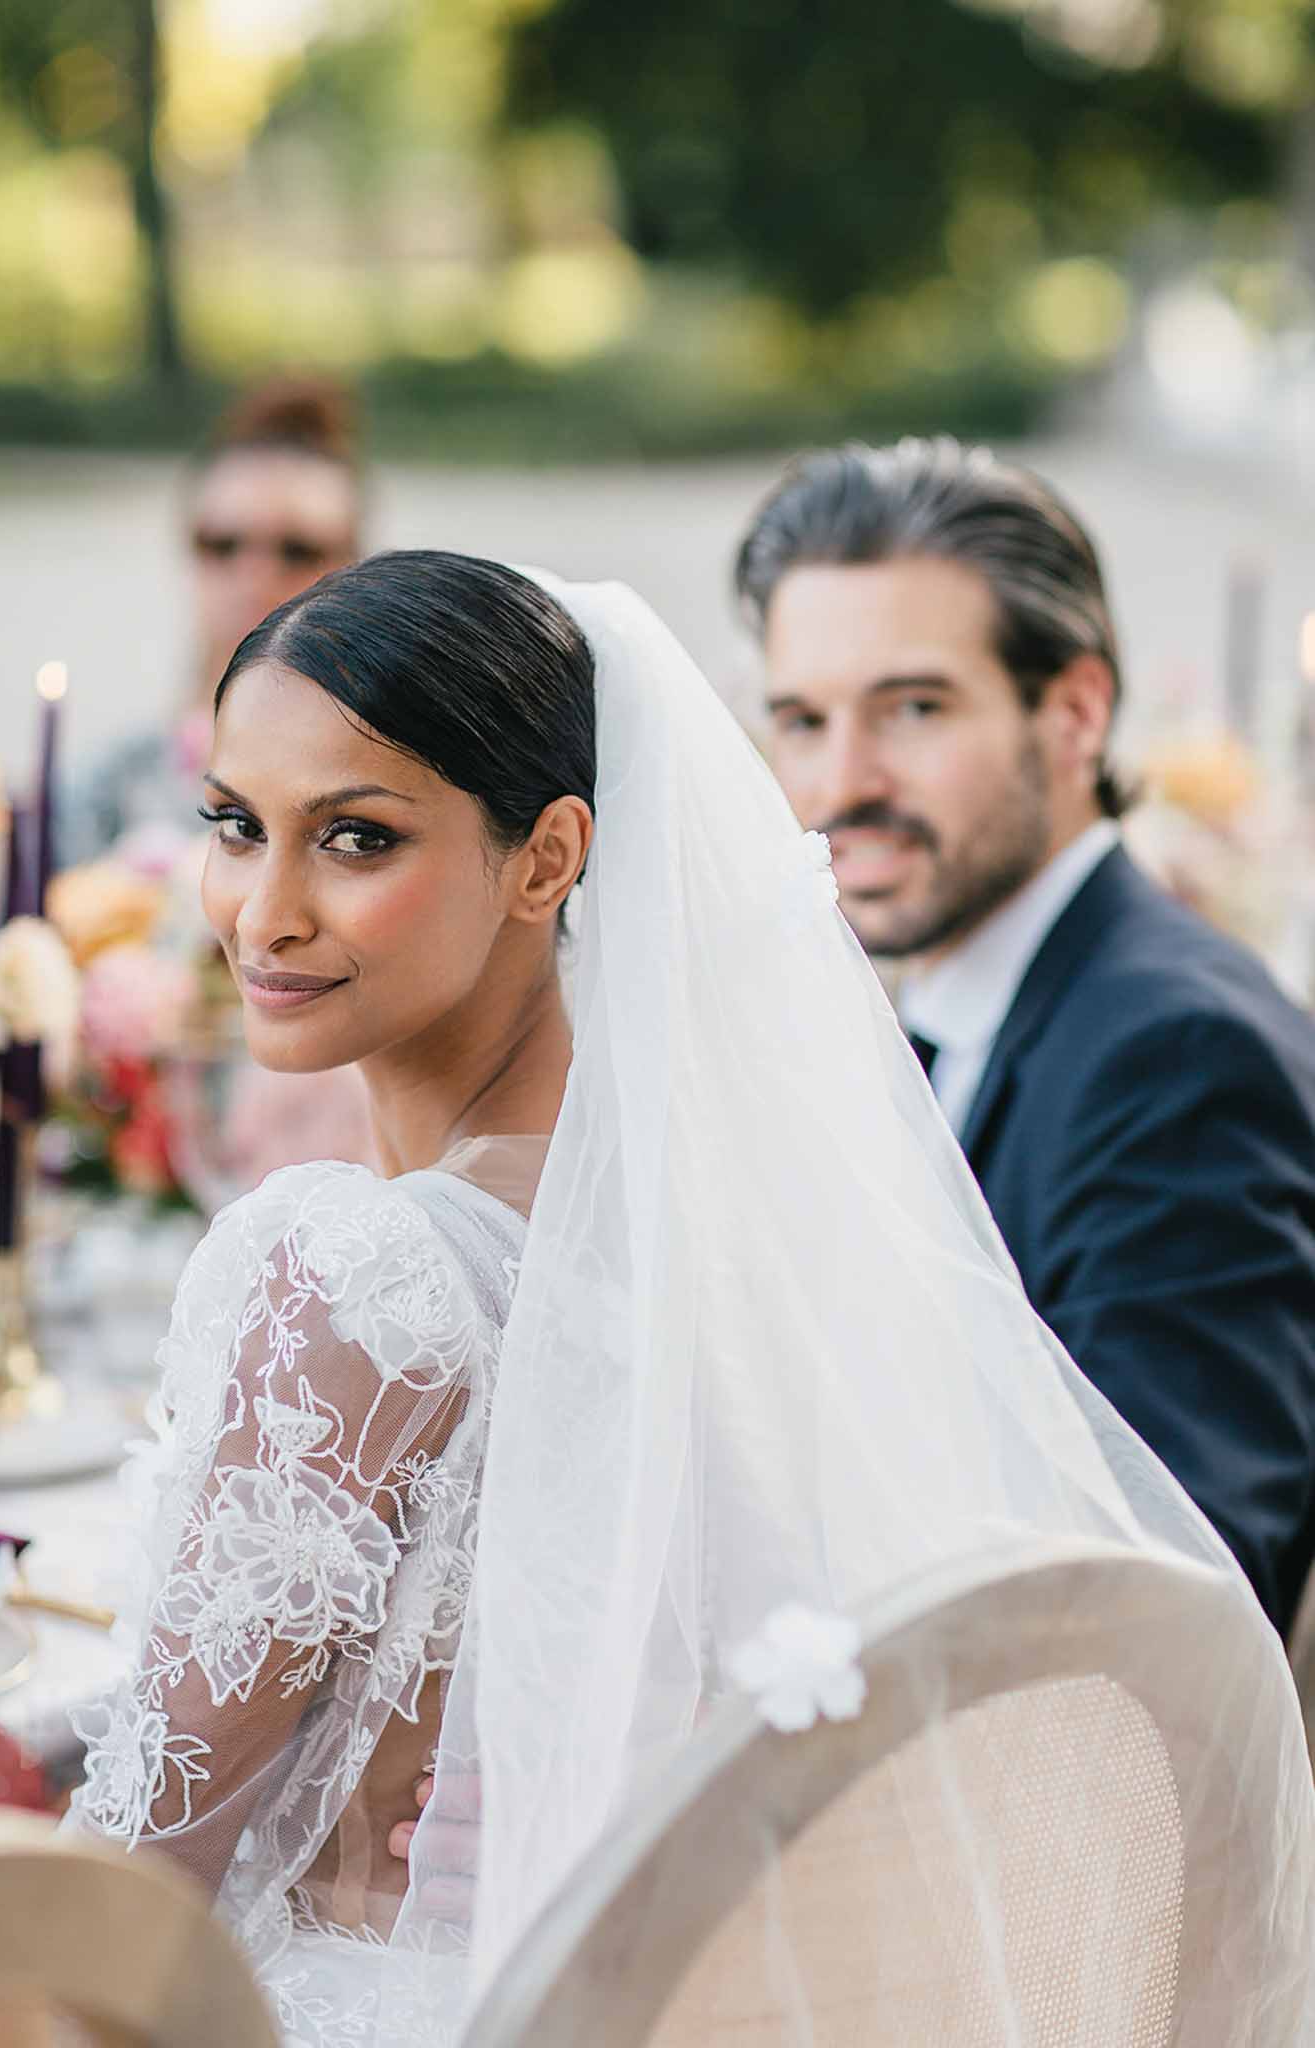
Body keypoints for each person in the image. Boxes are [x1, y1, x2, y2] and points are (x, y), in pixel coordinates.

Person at [66, 552, 1312, 2046]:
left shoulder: (352, 1269)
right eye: (232, 825)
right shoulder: (724, 1227)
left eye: (354, 838)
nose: (261, 910)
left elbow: (141, 1870)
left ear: (547, 857)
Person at [737, 436, 1315, 1634]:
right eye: (801, 718)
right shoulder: (946, 1001)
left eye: (912, 707)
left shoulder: (1175, 1055)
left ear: (1075, 712)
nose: (841, 780)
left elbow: (1173, 1606)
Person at [67, 377, 365, 864]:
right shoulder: (110, 787)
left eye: (297, 550)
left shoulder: (389, 794)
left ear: (356, 566)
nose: (254, 574)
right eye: (222, 544)